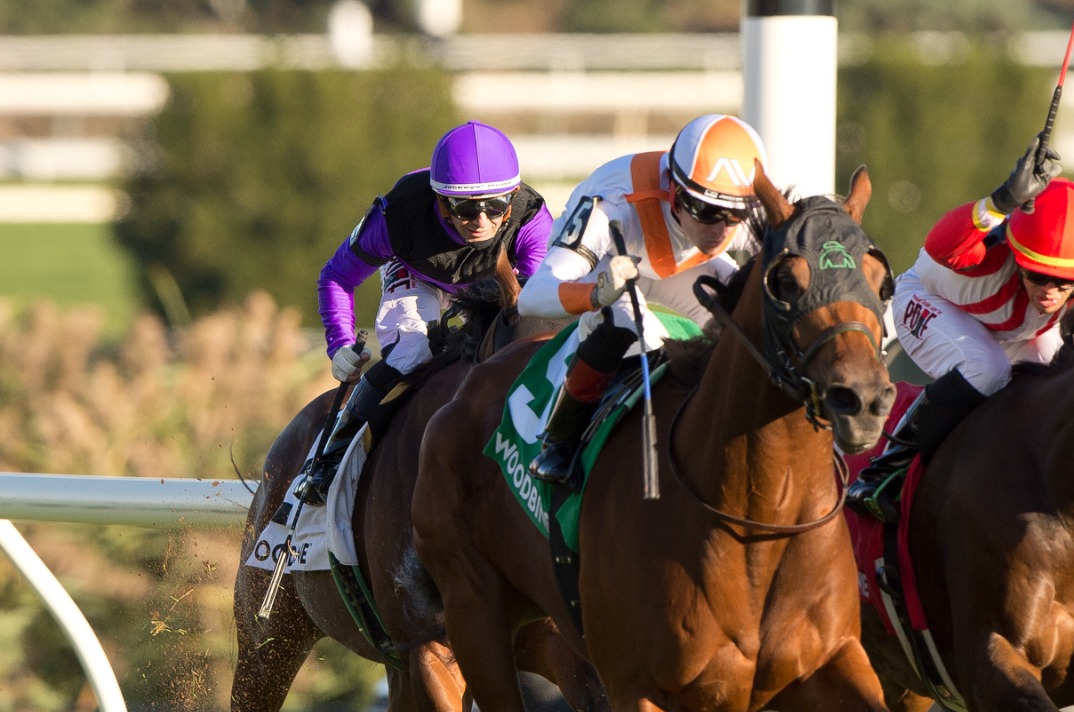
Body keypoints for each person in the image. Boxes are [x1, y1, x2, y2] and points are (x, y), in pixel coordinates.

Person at [846, 135, 1074, 523]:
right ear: (1016, 253)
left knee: (1061, 382)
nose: (1050, 291)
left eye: (1065, 282)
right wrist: (1000, 201)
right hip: (929, 302)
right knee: (987, 368)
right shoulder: (993, 246)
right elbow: (941, 245)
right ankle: (886, 471)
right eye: (1037, 275)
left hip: (1013, 329)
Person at [293, 120, 554, 505]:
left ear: (513, 196)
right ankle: (330, 457)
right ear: (441, 202)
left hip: (491, 282)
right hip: (416, 275)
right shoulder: (399, 214)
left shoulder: (532, 220)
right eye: (466, 209)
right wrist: (340, 346)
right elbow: (337, 277)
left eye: (495, 206)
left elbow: (538, 304)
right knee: (412, 350)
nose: (481, 222)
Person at [521, 113, 767, 484]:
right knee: (631, 328)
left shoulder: (738, 209)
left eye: (736, 215)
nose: (720, 229)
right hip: (610, 262)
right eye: (707, 211)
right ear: (675, 193)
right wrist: (596, 293)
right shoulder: (611, 203)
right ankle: (560, 440)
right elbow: (531, 298)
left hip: (678, 263)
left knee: (746, 321)